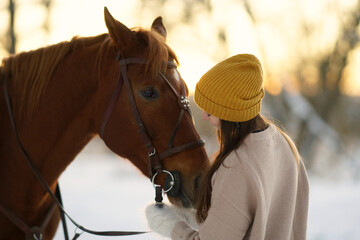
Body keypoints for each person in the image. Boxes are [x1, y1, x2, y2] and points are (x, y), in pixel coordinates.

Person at [146, 54, 309, 240]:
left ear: (229, 110)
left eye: (210, 109)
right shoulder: (285, 145)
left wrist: (170, 226)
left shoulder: (236, 165)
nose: (205, 116)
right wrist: (197, 219)